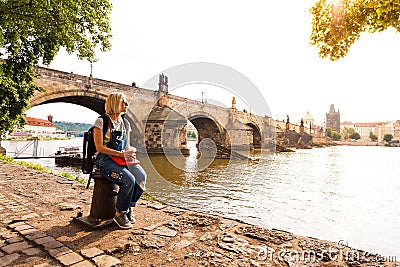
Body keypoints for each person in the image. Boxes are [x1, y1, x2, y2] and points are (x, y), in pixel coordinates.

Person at [93, 92, 147, 229]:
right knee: (128, 180)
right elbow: (99, 147)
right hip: (104, 160)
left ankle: (129, 207)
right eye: (124, 102)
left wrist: (131, 152)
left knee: (141, 177)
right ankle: (120, 213)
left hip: (121, 158)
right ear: (116, 103)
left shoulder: (125, 123)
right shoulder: (101, 122)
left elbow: (127, 145)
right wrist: (120, 154)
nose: (127, 105)